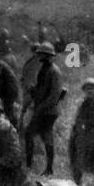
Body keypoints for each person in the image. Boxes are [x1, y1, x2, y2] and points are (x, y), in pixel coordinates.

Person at [22, 41, 65, 175]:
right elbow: (42, 90)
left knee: (34, 134)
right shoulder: (45, 69)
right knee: (42, 136)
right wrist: (32, 90)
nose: (40, 56)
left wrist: (40, 108)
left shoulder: (54, 71)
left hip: (48, 111)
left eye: (42, 54)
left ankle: (38, 167)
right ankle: (42, 167)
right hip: (44, 110)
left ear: (47, 56)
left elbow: (54, 95)